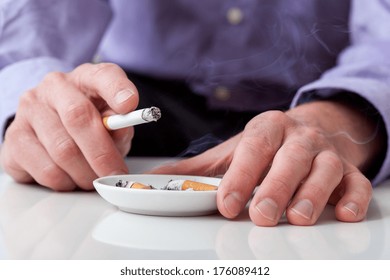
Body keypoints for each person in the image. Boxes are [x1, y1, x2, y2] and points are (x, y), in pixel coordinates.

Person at [0, 0, 389, 227]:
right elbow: (34, 25)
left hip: (319, 111)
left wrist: (345, 117)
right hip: (135, 105)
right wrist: (33, 107)